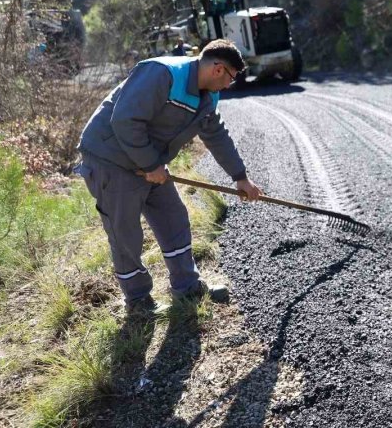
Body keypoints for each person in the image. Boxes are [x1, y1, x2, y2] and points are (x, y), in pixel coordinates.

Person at [76, 39, 263, 313]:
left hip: (149, 162)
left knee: (173, 218)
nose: (228, 85)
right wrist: (151, 164)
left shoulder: (208, 96)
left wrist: (240, 176)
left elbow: (216, 135)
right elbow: (125, 120)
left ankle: (187, 287)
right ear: (218, 69)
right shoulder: (161, 74)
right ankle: (138, 302)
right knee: (125, 233)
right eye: (231, 78)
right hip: (110, 159)